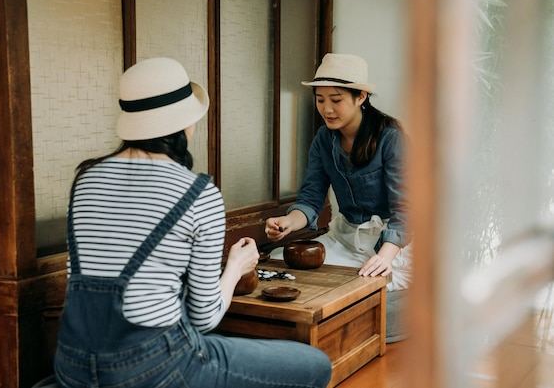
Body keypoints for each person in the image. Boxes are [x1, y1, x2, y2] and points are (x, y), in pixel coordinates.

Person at [53, 57, 333, 388]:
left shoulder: (86, 179)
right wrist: (236, 266)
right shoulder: (197, 192)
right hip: (154, 366)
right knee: (315, 364)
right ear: (185, 123)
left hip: (71, 364)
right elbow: (204, 318)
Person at [265, 53, 413, 342]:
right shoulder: (324, 138)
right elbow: (310, 197)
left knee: (376, 287)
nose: (327, 109)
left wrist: (385, 256)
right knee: (279, 262)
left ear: (360, 97)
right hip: (345, 237)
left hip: (394, 244)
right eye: (320, 99)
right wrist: (287, 222)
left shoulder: (390, 136)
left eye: (336, 99)